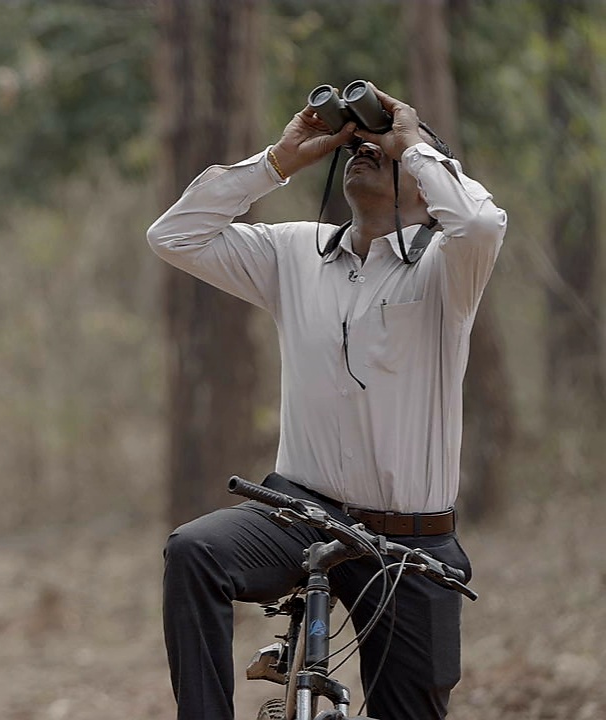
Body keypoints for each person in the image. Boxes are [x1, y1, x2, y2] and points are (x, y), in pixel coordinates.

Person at [147, 84, 506, 720]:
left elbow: (478, 220)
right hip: (299, 513)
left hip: (408, 540)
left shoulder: (449, 270)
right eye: (358, 145)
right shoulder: (294, 252)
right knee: (194, 552)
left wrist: (413, 142)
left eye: (382, 149)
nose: (365, 150)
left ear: (427, 185)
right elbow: (175, 235)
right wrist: (276, 163)